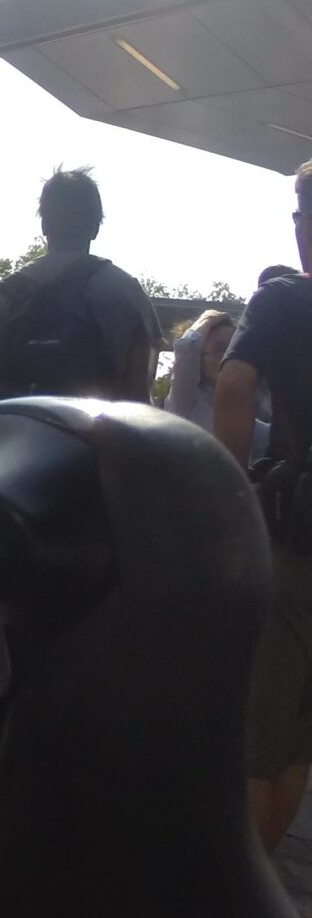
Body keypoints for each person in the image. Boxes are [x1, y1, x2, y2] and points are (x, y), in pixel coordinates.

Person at [211, 160, 312, 848]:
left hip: (296, 539)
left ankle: (239, 888)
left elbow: (233, 387)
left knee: (257, 736)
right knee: (300, 739)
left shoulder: (282, 300)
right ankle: (261, 879)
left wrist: (227, 496)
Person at [0, 167, 162, 413]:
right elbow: (138, 397)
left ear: (44, 225)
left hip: (16, 431)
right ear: (95, 228)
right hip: (98, 433)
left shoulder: (6, 294)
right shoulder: (129, 294)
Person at [166, 308, 236, 430]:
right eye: (219, 350)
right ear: (198, 357)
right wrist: (207, 320)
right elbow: (187, 347)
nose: (228, 356)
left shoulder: (250, 399)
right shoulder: (184, 399)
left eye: (233, 349)